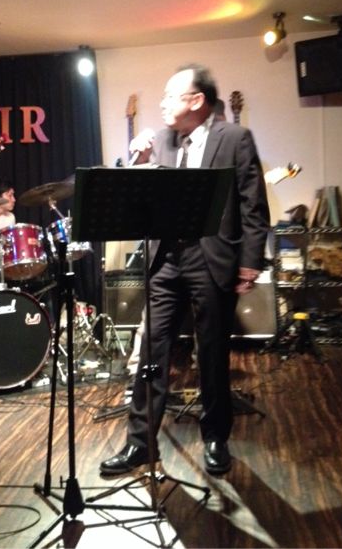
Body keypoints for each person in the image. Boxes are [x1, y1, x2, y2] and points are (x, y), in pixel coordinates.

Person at [99, 63, 270, 476]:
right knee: (151, 352)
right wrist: (138, 162)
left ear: (196, 100)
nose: (161, 103)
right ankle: (140, 443)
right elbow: (138, 202)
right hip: (165, 259)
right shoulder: (159, 140)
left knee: (211, 353)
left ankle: (215, 437)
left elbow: (253, 204)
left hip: (212, 258)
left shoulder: (235, 138)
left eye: (169, 95)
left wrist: (250, 262)